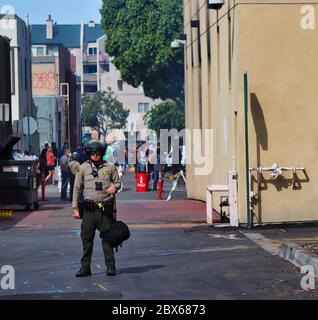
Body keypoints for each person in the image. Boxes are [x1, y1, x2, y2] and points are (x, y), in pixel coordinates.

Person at [72, 140, 122, 277]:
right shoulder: (82, 168)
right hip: (88, 210)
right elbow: (77, 188)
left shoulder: (110, 167)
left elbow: (118, 182)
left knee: (107, 238)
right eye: (92, 153)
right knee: (86, 239)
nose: (95, 155)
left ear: (102, 153)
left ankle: (111, 267)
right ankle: (85, 268)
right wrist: (75, 207)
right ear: (89, 153)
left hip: (105, 208)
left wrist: (115, 187)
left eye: (98, 152)